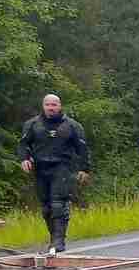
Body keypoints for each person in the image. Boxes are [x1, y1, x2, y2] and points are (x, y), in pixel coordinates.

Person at [18, 93, 91, 253]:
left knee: (58, 203)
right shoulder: (32, 124)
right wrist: (24, 158)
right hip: (40, 168)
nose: (51, 108)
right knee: (46, 207)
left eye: (54, 105)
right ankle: (53, 237)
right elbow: (23, 144)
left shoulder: (72, 125)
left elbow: (83, 149)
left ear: (60, 106)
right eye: (48, 105)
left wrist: (84, 169)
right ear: (43, 106)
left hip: (62, 167)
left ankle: (59, 240)